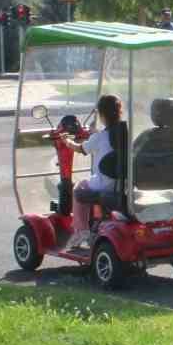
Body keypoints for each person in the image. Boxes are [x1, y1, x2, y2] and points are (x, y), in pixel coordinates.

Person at [64, 94, 125, 249]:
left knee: (79, 188)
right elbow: (104, 140)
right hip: (123, 185)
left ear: (102, 115)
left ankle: (81, 231)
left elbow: (80, 148)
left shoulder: (99, 137)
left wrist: (66, 141)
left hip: (103, 186)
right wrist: (94, 134)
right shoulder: (125, 133)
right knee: (88, 184)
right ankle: (94, 223)